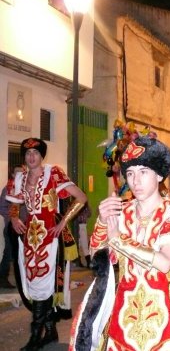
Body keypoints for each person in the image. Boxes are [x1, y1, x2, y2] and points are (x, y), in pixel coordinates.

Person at [70, 135, 170, 350]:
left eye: (143, 172)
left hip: (163, 316)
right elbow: (97, 256)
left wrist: (118, 240)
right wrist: (103, 222)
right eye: (130, 173)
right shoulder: (121, 211)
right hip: (122, 311)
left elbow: (164, 263)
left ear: (159, 175)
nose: (135, 181)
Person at [6, 138, 88, 350]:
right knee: (32, 284)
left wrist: (63, 221)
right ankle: (50, 331)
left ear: (42, 156)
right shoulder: (20, 178)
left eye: (35, 153)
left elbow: (81, 198)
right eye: (27, 153)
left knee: (44, 283)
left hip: (50, 237)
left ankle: (35, 336)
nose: (31, 157)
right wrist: (14, 218)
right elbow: (14, 204)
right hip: (29, 239)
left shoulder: (54, 173)